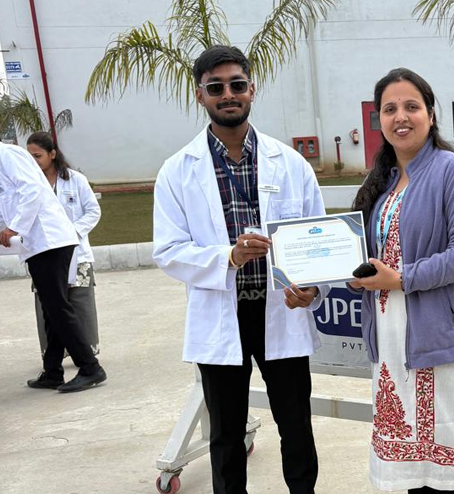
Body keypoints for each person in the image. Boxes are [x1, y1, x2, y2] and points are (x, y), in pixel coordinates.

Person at [152, 45, 328, 494]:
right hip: (221, 313)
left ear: (252, 89)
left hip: (281, 310)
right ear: (200, 96)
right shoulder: (177, 171)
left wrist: (312, 289)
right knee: (226, 434)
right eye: (216, 87)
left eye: (236, 85)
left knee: (296, 425)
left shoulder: (290, 163)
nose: (227, 94)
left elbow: (317, 239)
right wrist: (227, 258)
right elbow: (168, 250)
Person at [349, 68, 454, 493]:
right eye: (389, 109)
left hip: (449, 346)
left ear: (430, 114)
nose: (400, 117)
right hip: (395, 345)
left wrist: (400, 278)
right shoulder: (380, 183)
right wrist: (359, 277)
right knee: (413, 476)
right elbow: (372, 255)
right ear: (379, 119)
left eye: (411, 106)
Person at [0, 141, 107, 393]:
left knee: (57, 306)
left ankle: (90, 368)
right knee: (51, 308)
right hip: (37, 245)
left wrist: (14, 227)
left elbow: (32, 190)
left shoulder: (8, 155)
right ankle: (52, 371)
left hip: (49, 241)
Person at [27, 131, 101, 358]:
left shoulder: (75, 180)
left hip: (76, 253)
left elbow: (93, 211)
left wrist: (72, 233)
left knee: (80, 302)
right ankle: (53, 355)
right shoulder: (28, 184)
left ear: (52, 154)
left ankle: (87, 352)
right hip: (43, 253)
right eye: (30, 157)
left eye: (38, 156)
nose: (34, 161)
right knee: (47, 305)